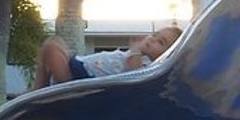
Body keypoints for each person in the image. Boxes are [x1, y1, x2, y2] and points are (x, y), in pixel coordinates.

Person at [34, 25, 183, 89]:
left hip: (81, 75)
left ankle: (61, 87)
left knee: (51, 47)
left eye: (161, 42)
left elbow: (135, 77)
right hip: (79, 64)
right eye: (155, 34)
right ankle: (39, 87)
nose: (152, 39)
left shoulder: (149, 66)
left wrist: (136, 51)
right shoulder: (141, 57)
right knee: (53, 44)